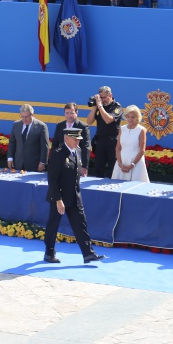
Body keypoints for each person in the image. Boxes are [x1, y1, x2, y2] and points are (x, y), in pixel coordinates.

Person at [44, 128, 106, 264]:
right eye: (75, 139)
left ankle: (88, 253)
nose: (78, 141)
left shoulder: (77, 151)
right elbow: (52, 179)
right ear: (67, 138)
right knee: (53, 225)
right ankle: (49, 252)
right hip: (59, 197)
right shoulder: (57, 154)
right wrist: (58, 200)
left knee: (81, 224)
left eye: (79, 139)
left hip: (74, 196)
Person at [86, 86, 123, 177]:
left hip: (113, 141)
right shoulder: (99, 106)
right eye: (101, 98)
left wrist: (100, 106)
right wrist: (95, 107)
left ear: (110, 95)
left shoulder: (117, 107)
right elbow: (89, 122)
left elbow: (108, 120)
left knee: (113, 168)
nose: (103, 100)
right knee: (99, 168)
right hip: (100, 141)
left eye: (104, 97)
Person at [52, 102, 92, 175]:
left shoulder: (83, 127)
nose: (69, 115)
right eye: (67, 113)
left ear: (77, 113)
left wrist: (84, 166)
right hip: (61, 162)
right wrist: (53, 161)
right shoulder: (60, 125)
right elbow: (55, 144)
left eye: (71, 113)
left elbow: (86, 147)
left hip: (76, 162)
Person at [7, 104, 50, 172]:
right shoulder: (16, 125)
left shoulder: (41, 126)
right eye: (22, 116)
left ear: (32, 115)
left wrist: (42, 162)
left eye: (26, 117)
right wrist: (10, 158)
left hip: (34, 164)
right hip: (18, 163)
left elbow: (44, 147)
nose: (24, 119)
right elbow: (12, 143)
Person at [111, 105, 149, 182]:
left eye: (133, 117)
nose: (130, 119)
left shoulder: (141, 130)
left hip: (136, 164)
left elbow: (142, 150)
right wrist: (120, 163)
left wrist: (132, 165)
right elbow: (118, 148)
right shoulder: (122, 129)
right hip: (122, 162)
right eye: (128, 117)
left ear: (137, 118)